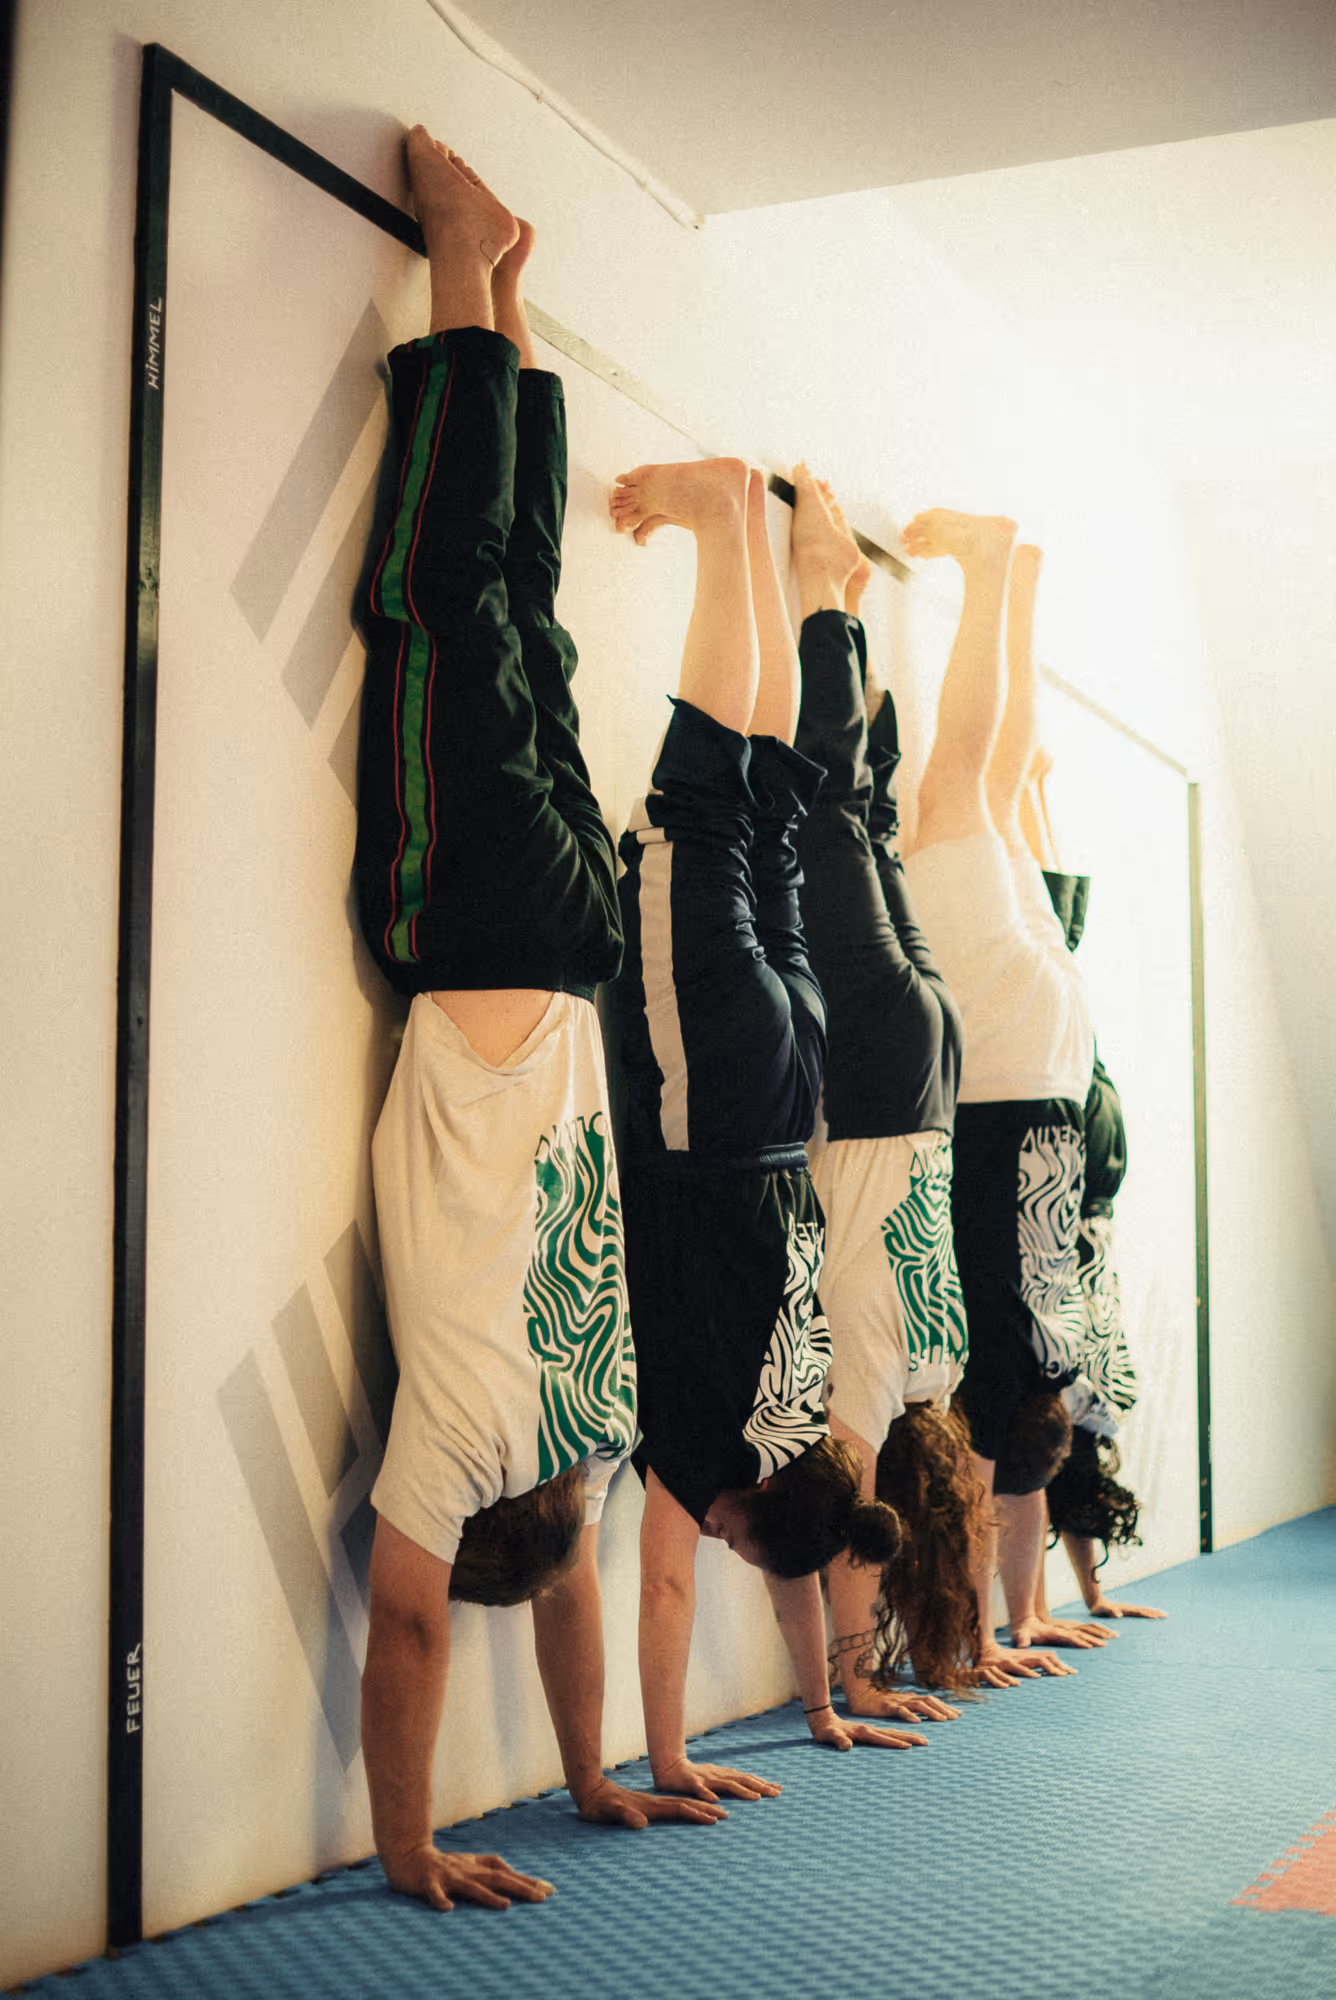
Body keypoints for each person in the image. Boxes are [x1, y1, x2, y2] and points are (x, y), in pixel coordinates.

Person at [354, 129, 726, 1913]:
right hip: (482, 933)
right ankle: (460, 262)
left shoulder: (589, 1418)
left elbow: (574, 1581)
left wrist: (597, 1774)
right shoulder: (459, 1439)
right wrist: (409, 1843)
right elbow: (414, 1624)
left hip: (578, 949)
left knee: (521, 625)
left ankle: (504, 293)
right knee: (444, 612)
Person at [607, 454, 913, 1798]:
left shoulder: (812, 1438)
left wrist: (822, 1705)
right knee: (700, 805)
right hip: (719, 1100)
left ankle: (739, 522)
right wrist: (669, 1754)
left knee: (770, 809)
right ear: (746, 1515)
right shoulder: (711, 1462)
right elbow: (668, 1584)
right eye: (737, 1539)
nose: (720, 1543)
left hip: (796, 1091)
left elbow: (794, 1547)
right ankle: (714, 521)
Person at [774, 469, 987, 1710]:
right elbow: (851, 1528)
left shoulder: (941, 1374)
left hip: (932, 1070)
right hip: (871, 1077)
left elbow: (927, 1505)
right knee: (826, 817)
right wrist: (847, 1684)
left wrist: (966, 1632)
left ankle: (847, 620)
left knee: (864, 827)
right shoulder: (871, 1380)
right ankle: (824, 592)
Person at [898, 514, 1105, 1673]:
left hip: (1060, 1059)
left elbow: (1023, 1490)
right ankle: (987, 572)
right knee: (953, 784)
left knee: (999, 788)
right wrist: (976, 1638)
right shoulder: (990, 1385)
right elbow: (987, 1495)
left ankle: (1016, 580)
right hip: (1003, 1060)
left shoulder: (1050, 1367)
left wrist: (1026, 1617)